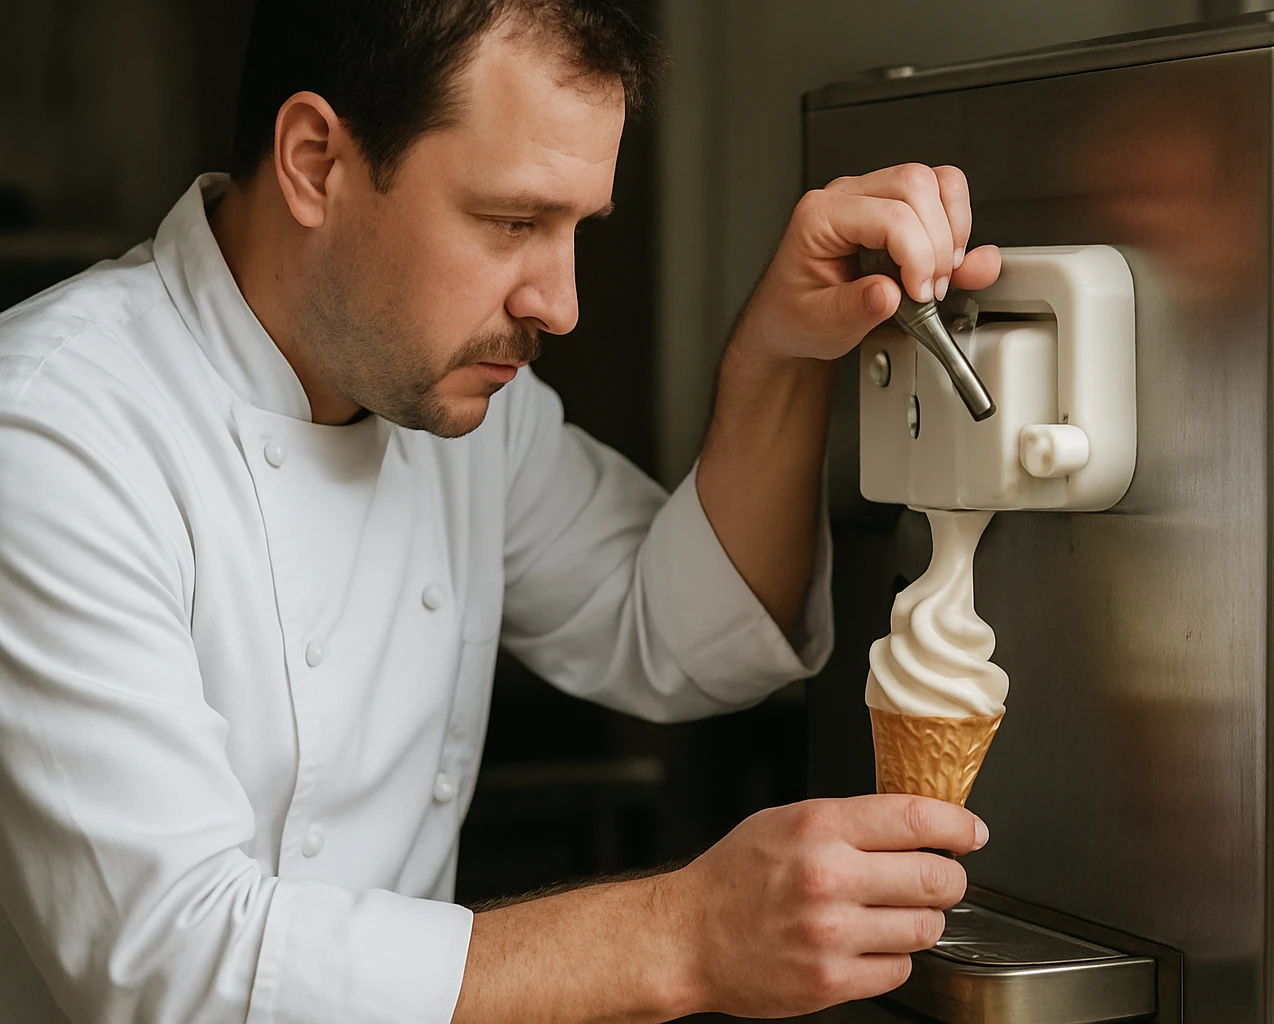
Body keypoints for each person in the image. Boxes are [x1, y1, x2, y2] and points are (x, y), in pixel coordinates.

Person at [0, 1, 1003, 1021]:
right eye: (513, 222)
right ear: (314, 162)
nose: (559, 305)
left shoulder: (460, 404)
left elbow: (691, 636)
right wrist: (683, 933)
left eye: (576, 229)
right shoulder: (52, 433)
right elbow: (174, 970)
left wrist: (782, 351)